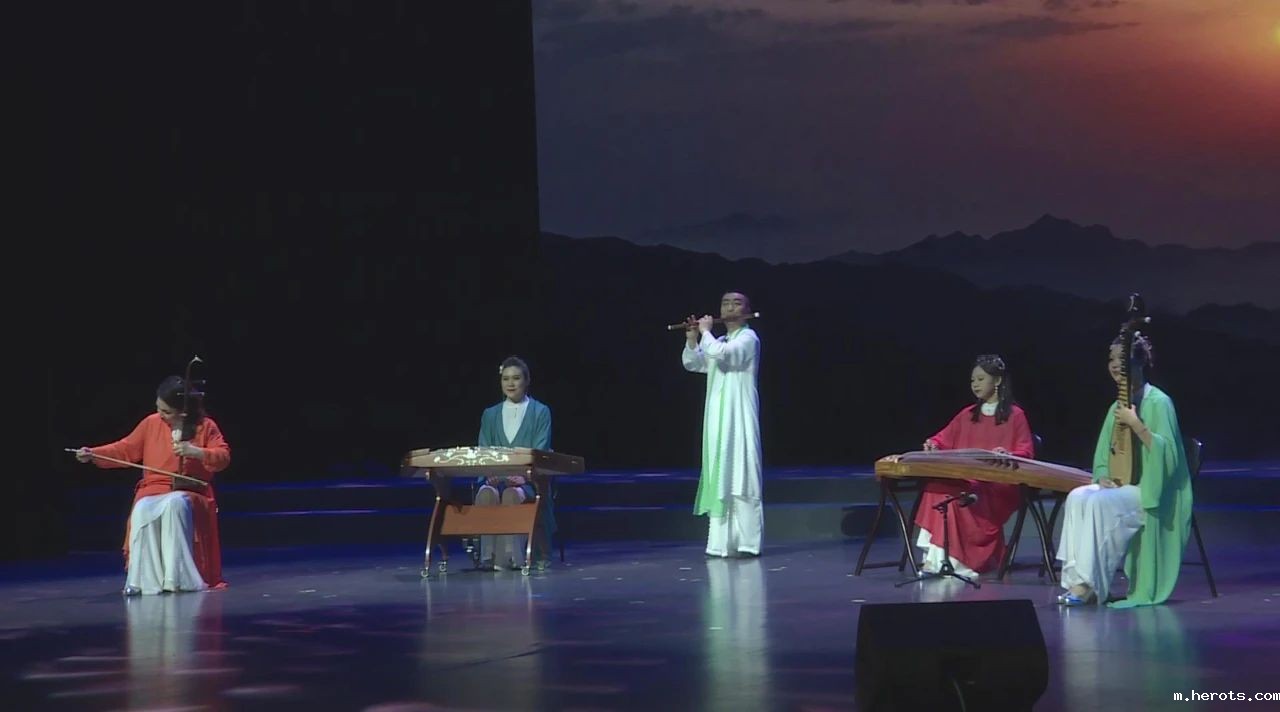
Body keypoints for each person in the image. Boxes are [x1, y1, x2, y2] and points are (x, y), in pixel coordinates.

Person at [1056, 334, 1193, 607]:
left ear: (1140, 362)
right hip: (1124, 487)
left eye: (1123, 359)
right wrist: (1103, 475)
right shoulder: (1116, 407)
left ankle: (1089, 585)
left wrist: (1136, 424)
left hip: (1154, 491)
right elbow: (1104, 453)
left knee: (1098, 504)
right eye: (1111, 359)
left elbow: (1169, 455)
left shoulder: (1159, 402)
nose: (1115, 365)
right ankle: (1075, 582)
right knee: (1078, 496)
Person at [74, 375, 231, 595]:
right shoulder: (151, 423)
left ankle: (176, 579)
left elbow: (223, 457)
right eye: (158, 408)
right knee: (142, 508)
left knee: (175, 503)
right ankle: (144, 581)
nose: (160, 414)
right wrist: (93, 454)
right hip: (153, 488)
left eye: (166, 411)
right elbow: (125, 449)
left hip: (189, 491)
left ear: (183, 412)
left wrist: (197, 452)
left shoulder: (205, 426)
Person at [913, 355, 1034, 577]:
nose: (975, 385)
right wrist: (933, 444)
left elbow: (1025, 451)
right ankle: (934, 559)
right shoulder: (967, 414)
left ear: (997, 380)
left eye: (980, 379)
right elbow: (942, 438)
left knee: (956, 497)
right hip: (967, 479)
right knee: (935, 488)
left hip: (996, 485)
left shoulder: (1016, 415)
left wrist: (1007, 454)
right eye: (972, 381)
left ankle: (954, 562)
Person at [681, 291, 763, 558]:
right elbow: (694, 363)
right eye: (725, 303)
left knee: (742, 475)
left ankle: (748, 543)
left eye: (736, 303)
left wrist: (705, 332)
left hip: (739, 416)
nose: (730, 307)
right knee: (722, 474)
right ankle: (720, 544)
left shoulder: (748, 338)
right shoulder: (720, 340)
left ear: (747, 310)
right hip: (717, 419)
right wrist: (692, 339)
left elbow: (726, 355)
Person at [474, 356, 553, 570]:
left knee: (511, 494)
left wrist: (523, 477)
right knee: (486, 493)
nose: (510, 383)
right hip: (495, 479)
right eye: (506, 378)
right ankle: (488, 556)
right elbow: (483, 450)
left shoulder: (540, 412)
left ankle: (512, 558)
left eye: (516, 378)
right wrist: (489, 474)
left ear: (526, 381)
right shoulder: (490, 414)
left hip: (527, 482)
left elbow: (540, 451)